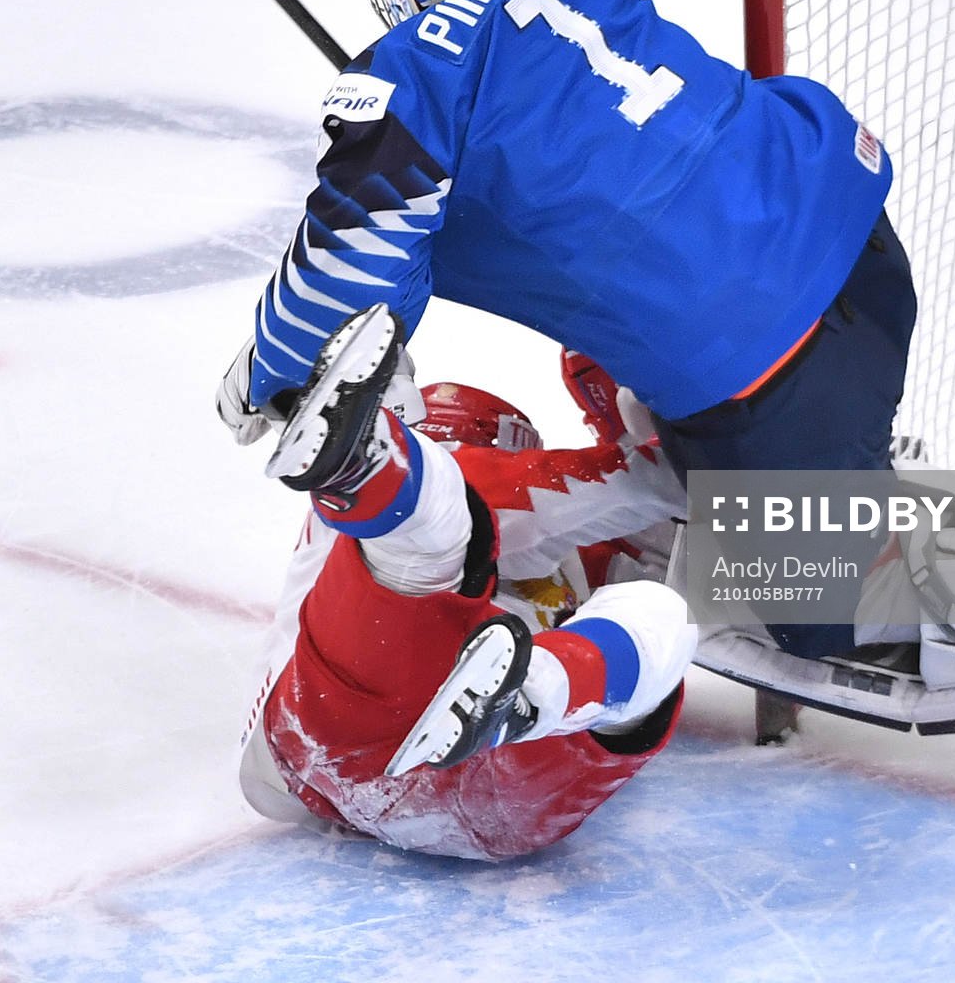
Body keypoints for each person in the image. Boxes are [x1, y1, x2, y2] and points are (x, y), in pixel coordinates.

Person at [216, 0, 915, 666]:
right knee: (611, 362)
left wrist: (265, 366)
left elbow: (346, 269)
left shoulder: (411, 84)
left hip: (765, 374)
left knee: (835, 623)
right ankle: (823, 478)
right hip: (856, 235)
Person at [238, 304, 697, 860]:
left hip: (342, 747)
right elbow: (520, 497)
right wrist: (681, 463)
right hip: (495, 803)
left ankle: (523, 697)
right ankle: (528, 696)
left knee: (661, 613)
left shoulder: (572, 550)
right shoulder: (385, 521)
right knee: (440, 531)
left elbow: (673, 561)